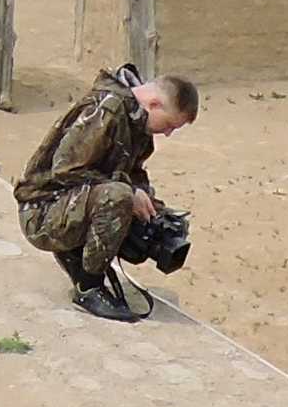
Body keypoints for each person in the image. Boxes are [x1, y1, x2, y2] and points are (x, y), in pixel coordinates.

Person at [16, 68, 194, 319]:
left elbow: (132, 172)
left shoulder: (135, 120)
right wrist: (130, 193)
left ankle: (77, 254)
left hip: (71, 203)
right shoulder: (106, 109)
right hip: (41, 212)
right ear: (155, 104)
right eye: (169, 125)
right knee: (119, 196)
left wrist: (150, 205)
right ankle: (88, 288)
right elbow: (65, 170)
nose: (167, 134)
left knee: (145, 206)